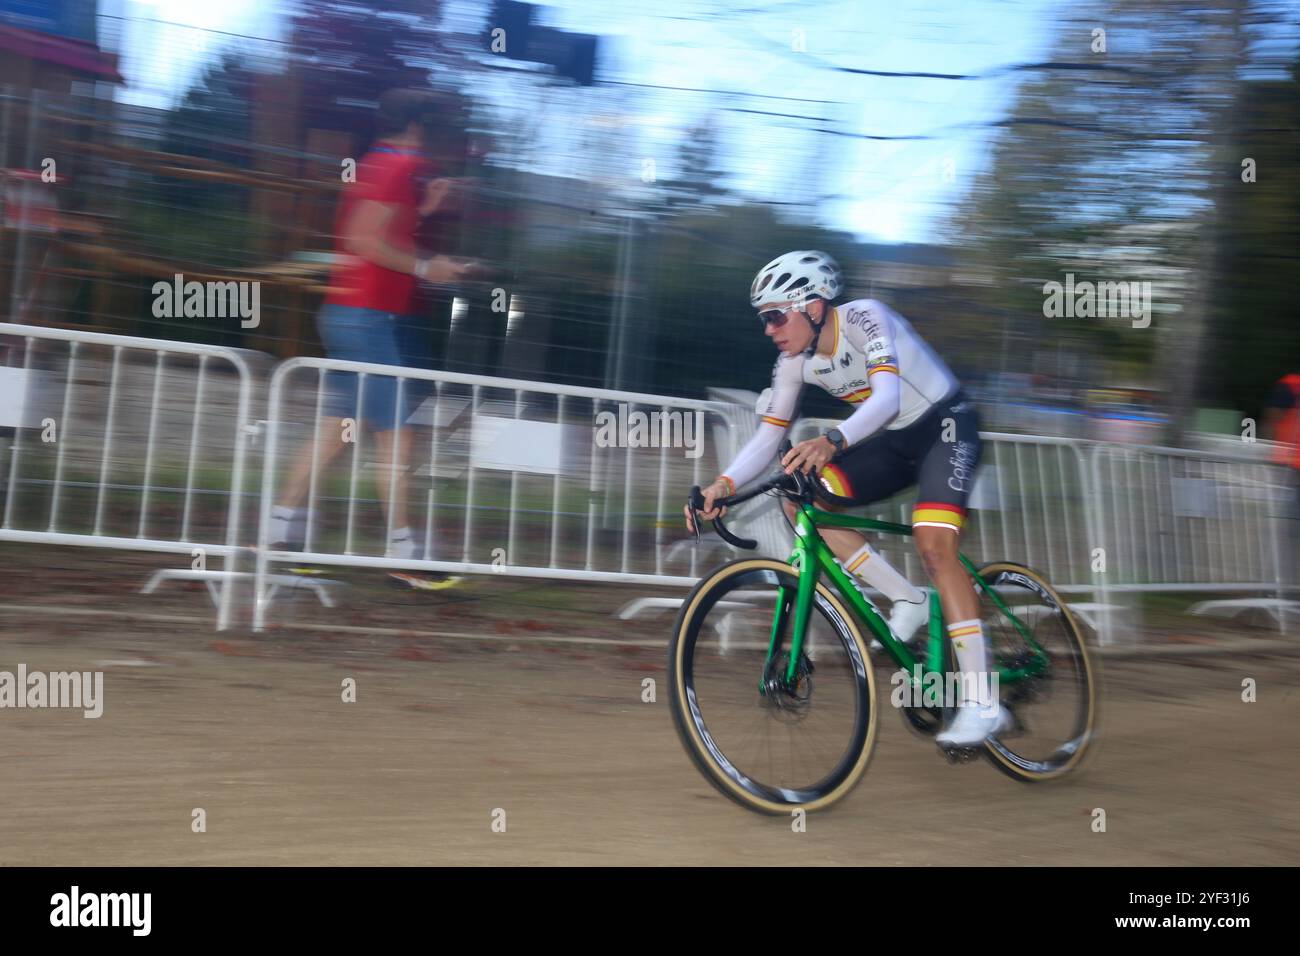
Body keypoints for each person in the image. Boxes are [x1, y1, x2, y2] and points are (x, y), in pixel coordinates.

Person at [687, 250, 1006, 747]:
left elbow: (887, 399)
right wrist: (722, 485)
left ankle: (983, 703)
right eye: (763, 319)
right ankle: (907, 597)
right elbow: (769, 436)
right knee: (800, 498)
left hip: (947, 426)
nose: (769, 329)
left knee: (934, 544)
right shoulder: (793, 363)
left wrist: (833, 440)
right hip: (894, 442)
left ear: (813, 307)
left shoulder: (864, 318)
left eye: (775, 316)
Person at [269, 88, 479, 580]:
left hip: (350, 312)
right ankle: (403, 555)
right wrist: (429, 266)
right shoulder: (401, 167)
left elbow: (374, 235)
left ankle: (278, 533)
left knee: (339, 432)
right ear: (420, 127)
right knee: (398, 435)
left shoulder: (378, 164)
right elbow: (362, 240)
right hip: (370, 319)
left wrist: (423, 212)